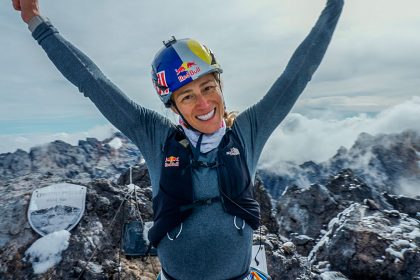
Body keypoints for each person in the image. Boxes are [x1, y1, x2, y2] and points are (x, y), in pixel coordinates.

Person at [12, 0, 344, 279]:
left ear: (220, 87)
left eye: (208, 88)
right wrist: (37, 24)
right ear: (173, 106)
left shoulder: (248, 132)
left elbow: (300, 72)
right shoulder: (154, 135)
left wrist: (335, 4)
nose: (202, 104)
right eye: (186, 96)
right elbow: (93, 81)